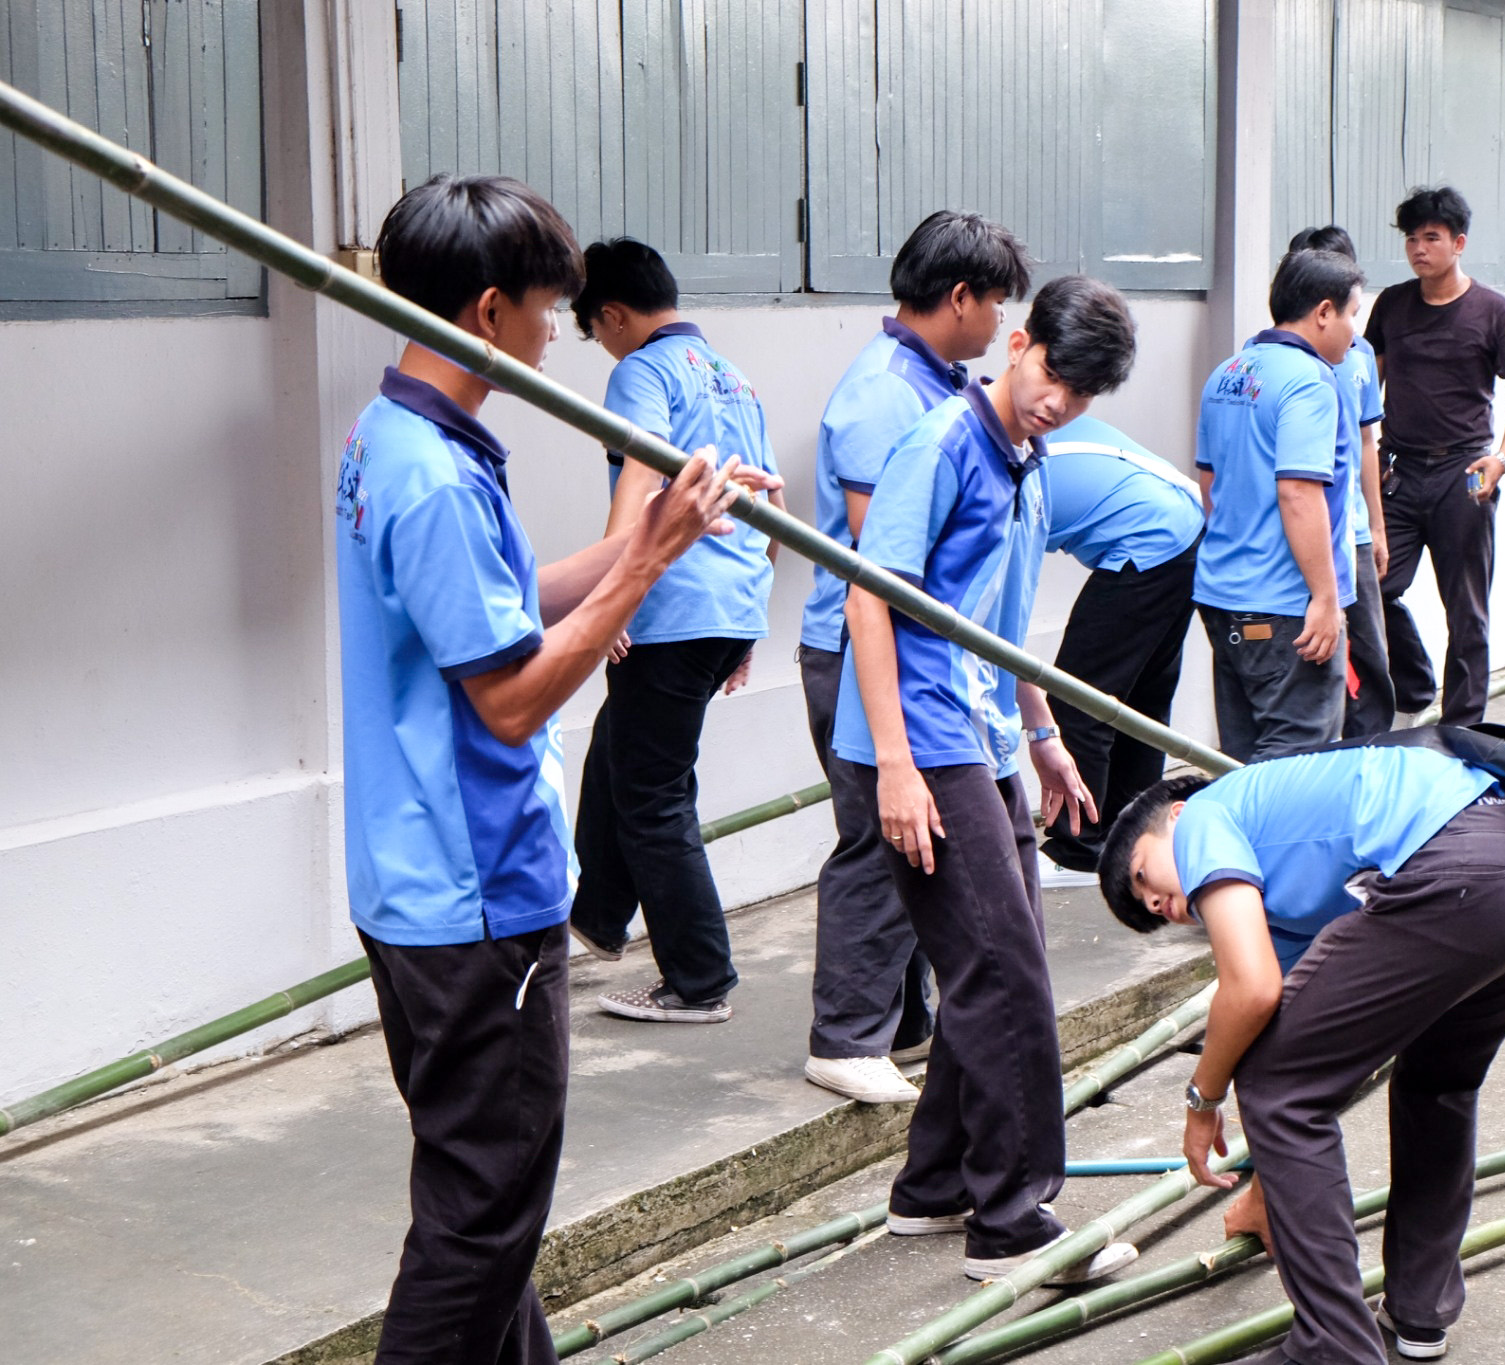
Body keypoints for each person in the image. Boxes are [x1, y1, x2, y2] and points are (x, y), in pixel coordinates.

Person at [335, 175, 768, 1364]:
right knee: (479, 1228)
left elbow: (501, 606)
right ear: (486, 310)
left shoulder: (402, 437)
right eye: (543, 311)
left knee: (488, 1201)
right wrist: (649, 573)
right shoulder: (430, 474)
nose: (554, 335)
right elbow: (515, 696)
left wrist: (658, 527)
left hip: (417, 883)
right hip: (477, 905)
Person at [1097, 744, 1505, 1364]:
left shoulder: (1206, 815)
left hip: (1470, 868)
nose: (1158, 906)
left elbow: (1251, 993)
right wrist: (1270, 1194)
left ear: (1173, 817)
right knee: (1435, 1080)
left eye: (1144, 877)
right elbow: (1287, 1023)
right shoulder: (1281, 889)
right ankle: (1419, 1315)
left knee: (1276, 1085)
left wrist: (1202, 1099)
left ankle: (1332, 1347)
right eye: (1152, 914)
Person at [836, 275, 1142, 1283]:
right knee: (1002, 973)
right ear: (1019, 343)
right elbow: (868, 602)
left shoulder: (1030, 460)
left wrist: (1042, 733)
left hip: (981, 731)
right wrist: (892, 763)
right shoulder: (940, 444)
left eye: (1081, 392)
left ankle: (931, 1189)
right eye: (1052, 372)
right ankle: (1010, 1222)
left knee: (996, 965)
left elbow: (1003, 623)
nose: (1057, 398)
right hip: (921, 738)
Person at [801, 211, 1033, 1105]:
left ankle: (899, 1023)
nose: (1000, 322)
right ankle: (845, 1035)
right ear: (961, 298)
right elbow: (881, 564)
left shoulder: (939, 382)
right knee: (880, 839)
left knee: (917, 847)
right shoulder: (882, 396)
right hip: (865, 649)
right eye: (996, 301)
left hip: (927, 659)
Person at [563, 238, 787, 1024]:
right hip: (727, 603)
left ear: (613, 313)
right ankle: (596, 912)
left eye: (597, 330)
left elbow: (644, 473)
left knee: (655, 795)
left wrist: (613, 594)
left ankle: (698, 978)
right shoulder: (735, 377)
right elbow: (769, 505)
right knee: (622, 743)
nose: (603, 348)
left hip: (673, 607)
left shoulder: (641, 372)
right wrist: (748, 620)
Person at [1366, 186, 1505, 727]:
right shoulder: (1392, 303)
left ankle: (1462, 731)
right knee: (1372, 589)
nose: (1419, 248)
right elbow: (1370, 386)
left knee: (1466, 610)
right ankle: (1413, 687)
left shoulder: (1493, 311)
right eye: (1412, 238)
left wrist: (1502, 458)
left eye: (1431, 237)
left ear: (1458, 243)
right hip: (1399, 468)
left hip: (1464, 472)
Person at [1194, 248, 1365, 761]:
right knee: (1295, 763)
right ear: (1324, 312)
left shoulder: (1228, 371)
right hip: (1286, 605)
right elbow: (1298, 491)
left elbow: (1211, 481)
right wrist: (1325, 597)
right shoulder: (1312, 382)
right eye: (1354, 314)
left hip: (1222, 594)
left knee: (1242, 756)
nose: (1355, 334)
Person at [1034, 413, 1205, 887]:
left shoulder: (999, 461)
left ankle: (1077, 845)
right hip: (1185, 529)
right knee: (1141, 699)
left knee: (1077, 697)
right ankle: (1134, 832)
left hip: (1148, 545)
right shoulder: (1045, 423)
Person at [1288, 224, 1397, 739]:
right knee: (1314, 662)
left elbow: (1366, 443)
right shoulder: (1272, 362)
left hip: (1349, 532)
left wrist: (1375, 526)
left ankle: (1370, 756)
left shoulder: (1358, 355)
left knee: (1370, 656)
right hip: (1304, 534)